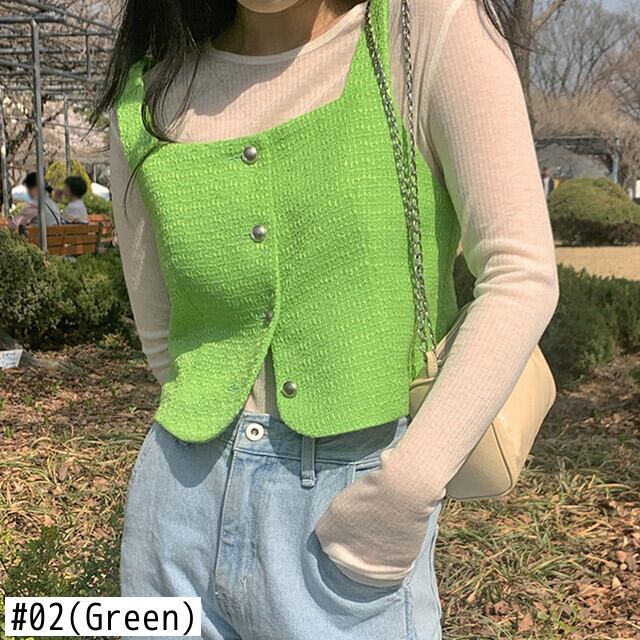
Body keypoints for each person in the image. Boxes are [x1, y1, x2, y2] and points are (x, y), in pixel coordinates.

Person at [99, 0, 560, 637]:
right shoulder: (151, 93)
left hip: (352, 514)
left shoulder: (425, 33)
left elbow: (519, 273)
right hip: (175, 513)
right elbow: (163, 338)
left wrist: (407, 488)